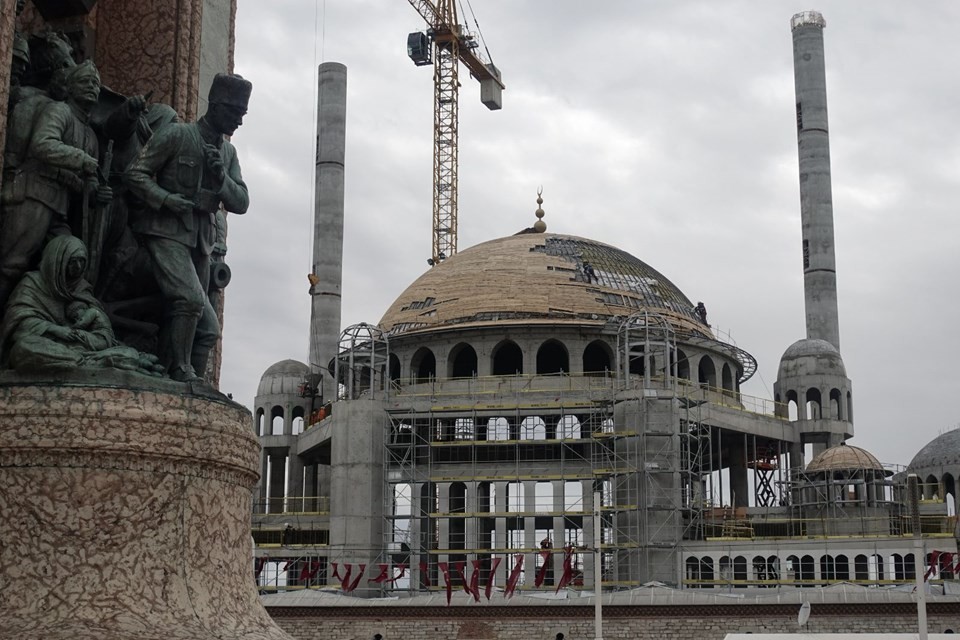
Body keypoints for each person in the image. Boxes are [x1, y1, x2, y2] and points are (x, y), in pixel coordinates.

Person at [125, 73, 251, 382]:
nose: (239, 122)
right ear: (217, 106)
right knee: (191, 300)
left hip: (201, 242)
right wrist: (166, 199)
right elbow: (135, 174)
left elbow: (242, 203)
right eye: (236, 113)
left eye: (242, 115)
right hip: (164, 232)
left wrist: (221, 178)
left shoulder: (228, 153)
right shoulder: (177, 135)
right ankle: (181, 373)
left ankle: (190, 385)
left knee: (208, 328)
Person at [0, 60, 110, 311]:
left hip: (58, 208)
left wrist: (95, 192)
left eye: (96, 84)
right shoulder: (60, 111)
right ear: (70, 88)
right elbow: (42, 144)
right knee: (11, 265)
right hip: (34, 195)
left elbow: (88, 184)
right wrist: (81, 160)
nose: (92, 87)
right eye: (85, 82)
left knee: (71, 264)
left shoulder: (91, 136)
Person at [0, 235, 162, 375]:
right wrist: (56, 329)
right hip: (47, 343)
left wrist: (85, 331)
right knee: (23, 348)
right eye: (72, 262)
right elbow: (17, 322)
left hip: (78, 345)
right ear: (56, 260)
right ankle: (103, 361)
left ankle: (93, 360)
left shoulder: (82, 288)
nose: (77, 267)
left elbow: (103, 334)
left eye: (81, 262)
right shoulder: (32, 283)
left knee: (120, 349)